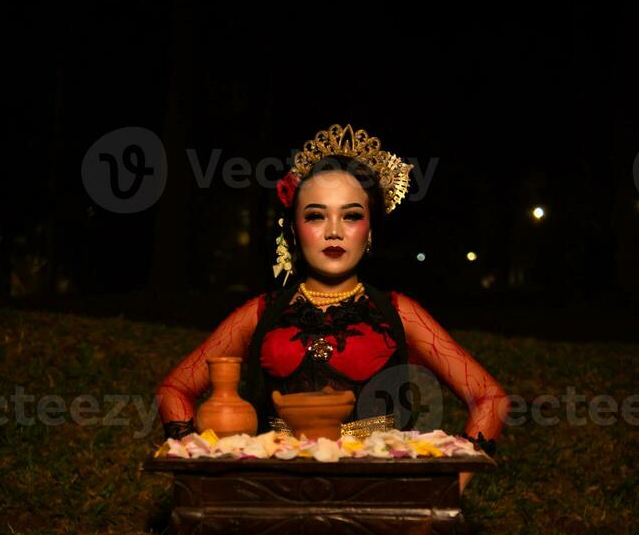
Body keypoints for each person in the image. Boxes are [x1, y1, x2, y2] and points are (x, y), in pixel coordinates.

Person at [157, 123, 511, 496]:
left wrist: (444, 493)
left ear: (370, 229)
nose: (333, 231)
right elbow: (174, 389)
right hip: (275, 496)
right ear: (293, 229)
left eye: (352, 215)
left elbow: (490, 399)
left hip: (378, 498)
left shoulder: (398, 312)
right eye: (315, 215)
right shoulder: (261, 313)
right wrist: (204, 477)